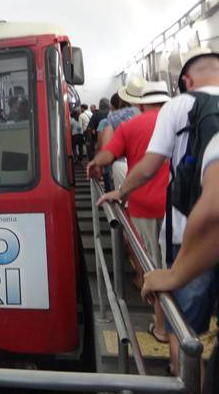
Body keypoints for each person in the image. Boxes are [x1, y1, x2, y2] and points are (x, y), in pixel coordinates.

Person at [98, 47, 219, 376]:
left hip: (189, 233)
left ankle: (179, 374)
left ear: (186, 80)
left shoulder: (180, 106)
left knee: (185, 330)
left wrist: (119, 191)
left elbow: (149, 166)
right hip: (193, 223)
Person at [87, 79, 171, 343]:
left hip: (144, 207)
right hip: (180, 208)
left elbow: (107, 156)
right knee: (176, 266)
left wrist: (93, 165)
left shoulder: (130, 126)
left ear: (140, 103)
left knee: (155, 267)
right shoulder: (184, 123)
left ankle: (162, 328)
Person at [142, 132, 219, 393]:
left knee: (183, 328)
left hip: (177, 229)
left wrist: (175, 276)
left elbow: (212, 216)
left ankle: (184, 377)